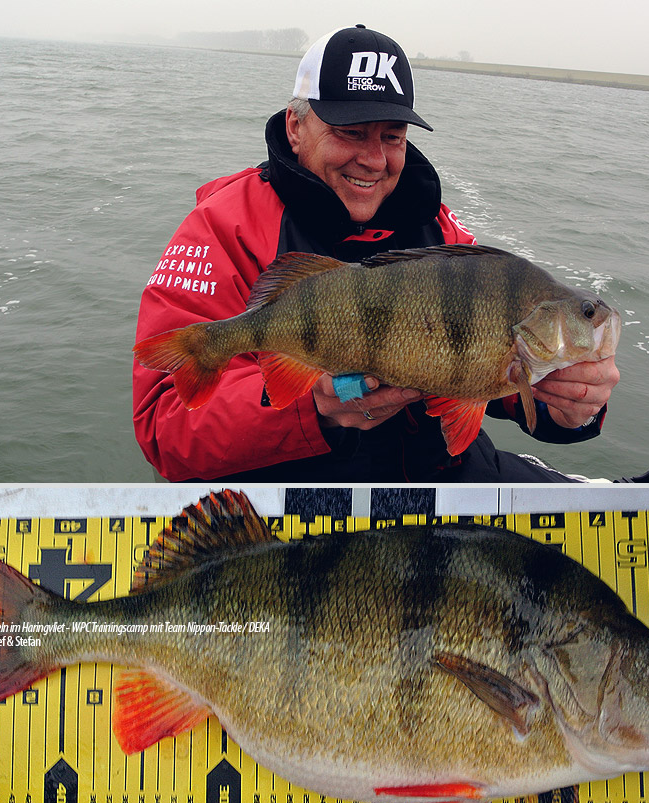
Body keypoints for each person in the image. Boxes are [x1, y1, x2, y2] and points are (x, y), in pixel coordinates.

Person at [133, 25, 619, 482]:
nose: (373, 159)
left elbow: (489, 370)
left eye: (392, 137)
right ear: (295, 126)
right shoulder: (223, 227)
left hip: (439, 480)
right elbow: (165, 423)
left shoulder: (441, 233)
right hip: (301, 499)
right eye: (350, 132)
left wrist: (570, 402)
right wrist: (314, 410)